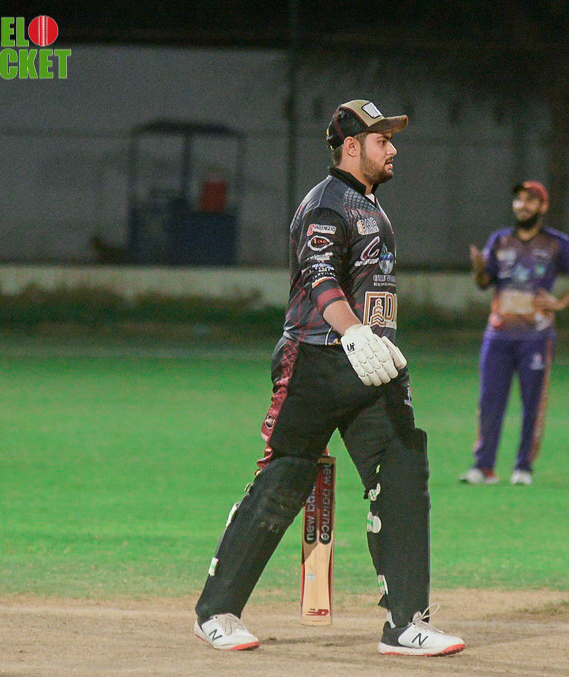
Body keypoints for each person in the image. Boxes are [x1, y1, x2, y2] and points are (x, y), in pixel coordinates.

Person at [193, 99, 465, 657]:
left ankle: (405, 623)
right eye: (382, 140)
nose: (393, 149)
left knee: (404, 470)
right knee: (285, 479)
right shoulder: (326, 204)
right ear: (351, 146)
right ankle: (215, 612)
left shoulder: (370, 204)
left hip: (373, 366)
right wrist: (354, 332)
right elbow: (320, 279)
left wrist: (375, 344)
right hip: (316, 361)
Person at [461, 180, 569, 486]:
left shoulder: (555, 243)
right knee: (489, 402)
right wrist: (479, 268)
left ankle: (523, 467)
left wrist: (560, 303)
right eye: (519, 200)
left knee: (532, 404)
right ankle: (484, 467)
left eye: (530, 200)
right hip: (497, 335)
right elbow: (483, 283)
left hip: (536, 337)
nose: (523, 205)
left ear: (543, 207)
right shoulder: (500, 240)